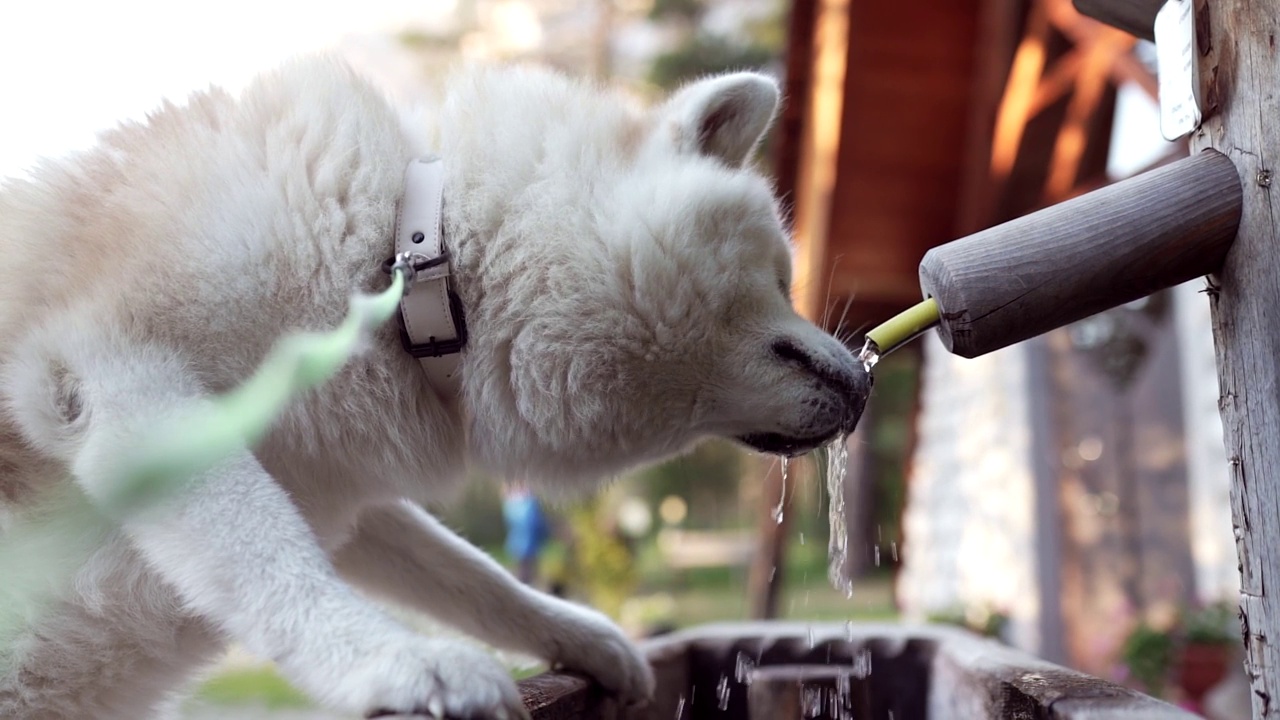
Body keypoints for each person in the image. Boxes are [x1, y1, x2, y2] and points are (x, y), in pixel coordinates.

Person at [502, 482, 548, 585]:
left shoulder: (510, 503)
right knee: (528, 574)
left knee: (521, 573)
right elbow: (536, 523)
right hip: (529, 543)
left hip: (515, 543)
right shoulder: (529, 503)